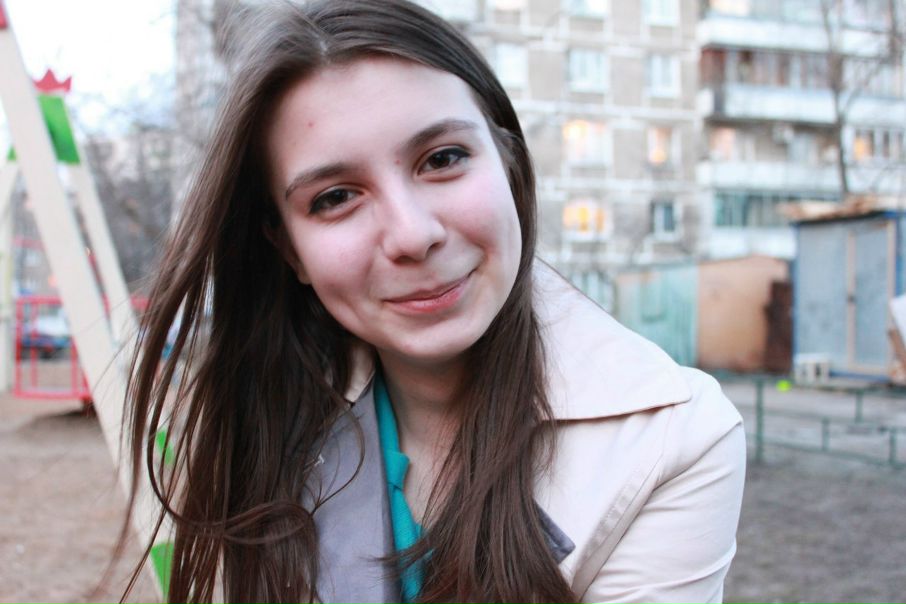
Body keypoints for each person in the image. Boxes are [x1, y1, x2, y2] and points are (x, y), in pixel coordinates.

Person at [124, 1, 746, 603]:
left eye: (443, 159)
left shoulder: (674, 438)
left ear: (508, 161)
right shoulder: (269, 427)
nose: (412, 234)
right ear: (290, 251)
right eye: (336, 197)